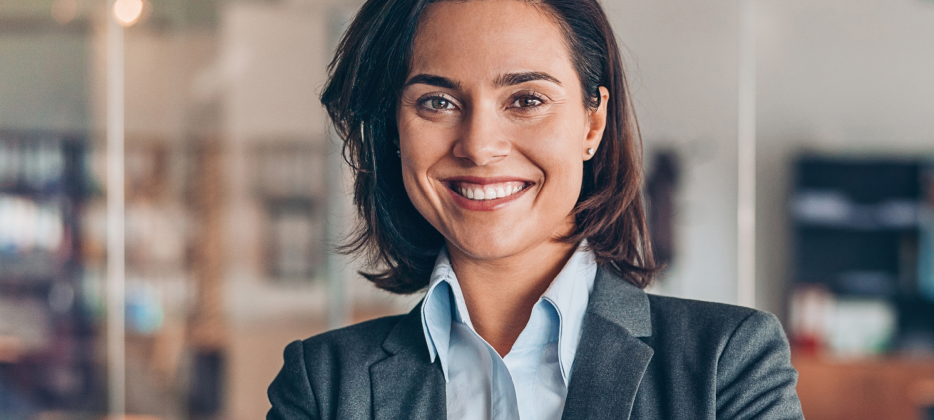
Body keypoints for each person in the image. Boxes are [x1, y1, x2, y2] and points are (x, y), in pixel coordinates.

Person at [267, 0, 804, 418]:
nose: (478, 145)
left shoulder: (726, 366)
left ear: (592, 124)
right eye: (437, 102)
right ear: (394, 133)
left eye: (526, 100)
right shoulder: (326, 384)